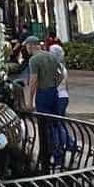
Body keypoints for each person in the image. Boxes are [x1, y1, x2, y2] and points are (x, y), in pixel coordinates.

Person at [26, 36, 67, 166]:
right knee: (55, 124)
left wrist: (29, 101)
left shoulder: (34, 60)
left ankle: (46, 155)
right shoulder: (51, 56)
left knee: (44, 126)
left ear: (31, 45)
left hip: (42, 93)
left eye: (27, 46)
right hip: (54, 92)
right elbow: (60, 74)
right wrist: (55, 84)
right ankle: (59, 155)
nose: (26, 49)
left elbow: (33, 81)